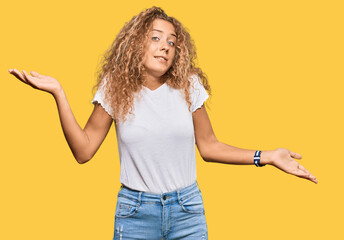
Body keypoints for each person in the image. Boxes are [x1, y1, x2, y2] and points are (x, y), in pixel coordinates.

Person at [8, 6, 317, 240]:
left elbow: (209, 147)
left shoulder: (188, 85)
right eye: (155, 38)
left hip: (187, 211)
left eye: (171, 42)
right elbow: (83, 151)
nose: (165, 46)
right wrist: (59, 93)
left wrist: (269, 156)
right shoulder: (115, 87)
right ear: (135, 44)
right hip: (135, 212)